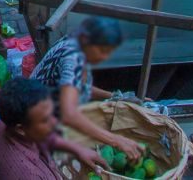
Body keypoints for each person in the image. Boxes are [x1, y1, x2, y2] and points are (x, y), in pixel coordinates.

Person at [31, 17, 141, 161]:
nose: (105, 57)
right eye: (102, 50)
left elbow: (78, 86)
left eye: (109, 52)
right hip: (36, 120)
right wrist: (116, 140)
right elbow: (68, 114)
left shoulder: (76, 44)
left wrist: (116, 96)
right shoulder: (73, 58)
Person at [0, 78, 106, 179]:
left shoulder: (4, 124)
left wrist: (77, 149)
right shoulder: (29, 174)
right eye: (45, 120)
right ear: (20, 129)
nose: (54, 122)